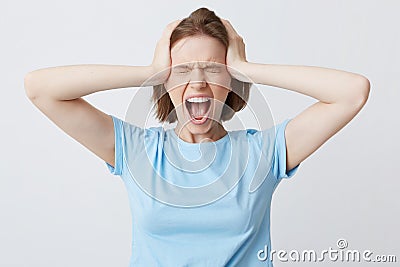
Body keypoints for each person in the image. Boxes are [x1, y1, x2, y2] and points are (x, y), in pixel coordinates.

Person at [24, 7, 370, 267]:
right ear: (166, 80)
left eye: (215, 68)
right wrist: (147, 72)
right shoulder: (136, 151)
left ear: (230, 79)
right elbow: (40, 89)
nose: (200, 81)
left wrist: (248, 68)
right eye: (183, 69)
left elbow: (352, 92)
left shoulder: (261, 153)